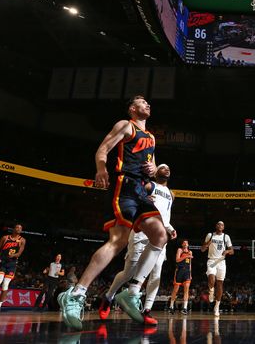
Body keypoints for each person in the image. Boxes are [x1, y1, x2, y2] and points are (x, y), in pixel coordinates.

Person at [58, 95, 168, 330]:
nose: (147, 104)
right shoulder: (125, 125)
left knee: (160, 235)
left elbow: (151, 167)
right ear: (132, 108)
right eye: (142, 102)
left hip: (141, 190)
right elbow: (103, 149)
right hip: (124, 186)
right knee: (117, 241)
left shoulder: (151, 137)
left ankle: (132, 291)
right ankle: (76, 293)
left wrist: (152, 171)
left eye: (148, 102)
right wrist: (100, 169)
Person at [99, 163, 176, 325]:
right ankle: (109, 297)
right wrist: (143, 198)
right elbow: (134, 200)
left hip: (160, 234)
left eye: (169, 168)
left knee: (156, 275)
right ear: (155, 172)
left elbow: (165, 215)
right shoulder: (149, 185)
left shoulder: (171, 194)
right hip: (142, 231)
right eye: (163, 167)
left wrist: (170, 227)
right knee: (129, 272)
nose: (166, 169)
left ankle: (146, 310)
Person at [0, 224, 26, 314]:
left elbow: (19, 253)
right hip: (2, 262)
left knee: (5, 284)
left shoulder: (22, 240)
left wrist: (13, 255)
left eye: (20, 228)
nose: (19, 229)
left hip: (12, 264)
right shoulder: (5, 238)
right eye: (17, 227)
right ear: (14, 229)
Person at [201, 221, 234, 317]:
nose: (220, 225)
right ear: (216, 226)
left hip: (221, 262)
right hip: (211, 261)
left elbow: (232, 251)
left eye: (222, 225)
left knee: (220, 284)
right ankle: (211, 291)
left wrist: (227, 251)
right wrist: (207, 244)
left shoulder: (226, 237)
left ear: (223, 227)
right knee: (211, 279)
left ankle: (216, 307)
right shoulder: (210, 235)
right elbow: (202, 249)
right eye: (219, 224)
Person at [169, 239, 193, 314]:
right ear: (182, 244)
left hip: (187, 272)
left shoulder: (190, 252)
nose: (186, 244)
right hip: (179, 270)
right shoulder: (180, 250)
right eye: (184, 243)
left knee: (186, 289)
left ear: (188, 245)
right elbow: (177, 260)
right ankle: (171, 306)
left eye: (187, 243)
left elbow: (190, 264)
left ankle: (185, 308)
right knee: (176, 289)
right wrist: (186, 256)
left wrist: (190, 273)